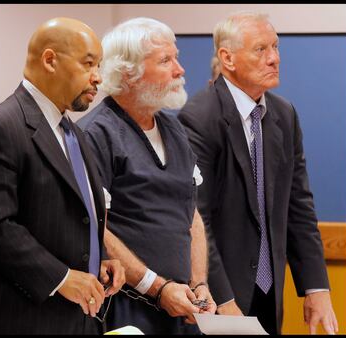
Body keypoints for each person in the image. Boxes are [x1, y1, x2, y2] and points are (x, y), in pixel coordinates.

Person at [0, 17, 126, 334]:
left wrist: (97, 261)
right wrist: (61, 277)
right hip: (20, 320)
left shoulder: (74, 133)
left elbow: (76, 218)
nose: (98, 78)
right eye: (89, 64)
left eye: (99, 66)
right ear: (50, 60)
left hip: (79, 320)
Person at [178, 12, 338, 335]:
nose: (274, 58)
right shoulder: (199, 118)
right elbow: (196, 218)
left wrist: (316, 287)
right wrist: (223, 299)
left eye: (276, 47)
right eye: (261, 50)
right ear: (227, 58)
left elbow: (299, 206)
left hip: (269, 292)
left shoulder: (284, 113)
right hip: (220, 296)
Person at [77, 17, 217, 335]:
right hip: (126, 309)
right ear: (129, 73)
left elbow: (191, 213)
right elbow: (96, 227)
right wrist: (156, 287)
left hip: (184, 308)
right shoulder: (96, 134)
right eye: (166, 61)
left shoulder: (175, 130)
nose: (180, 70)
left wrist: (199, 283)